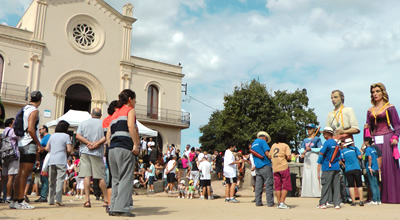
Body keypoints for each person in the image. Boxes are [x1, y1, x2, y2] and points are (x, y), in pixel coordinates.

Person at [106, 89, 139, 217]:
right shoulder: (129, 110)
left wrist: (111, 146)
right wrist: (135, 144)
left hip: (113, 149)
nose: (136, 102)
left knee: (115, 180)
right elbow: (131, 126)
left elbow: (108, 134)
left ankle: (113, 206)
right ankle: (122, 208)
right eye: (135, 99)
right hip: (125, 148)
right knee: (126, 178)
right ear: (130, 99)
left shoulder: (114, 114)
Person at [365, 82, 400, 204]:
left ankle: (391, 197)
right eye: (373, 92)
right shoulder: (370, 110)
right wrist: (366, 141)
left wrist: (396, 137)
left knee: (387, 166)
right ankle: (375, 197)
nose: (375, 94)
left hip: (387, 138)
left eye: (377, 91)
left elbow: (397, 125)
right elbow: (368, 127)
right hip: (374, 139)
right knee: (373, 166)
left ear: (383, 92)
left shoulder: (390, 107)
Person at [10, 90, 43, 210]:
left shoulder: (24, 108)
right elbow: (31, 129)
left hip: (21, 142)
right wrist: (38, 144)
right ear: (40, 100)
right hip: (29, 142)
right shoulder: (34, 111)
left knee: (20, 173)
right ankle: (20, 200)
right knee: (25, 173)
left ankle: (14, 200)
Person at [76, 108, 108, 209]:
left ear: (91, 114)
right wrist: (96, 143)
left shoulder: (83, 123)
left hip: (85, 151)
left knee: (86, 176)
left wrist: (88, 143)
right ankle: (106, 200)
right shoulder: (103, 123)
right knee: (100, 177)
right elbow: (106, 136)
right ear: (101, 115)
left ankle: (87, 200)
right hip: (97, 152)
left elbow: (78, 136)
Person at [45, 120, 72, 206]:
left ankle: (50, 200)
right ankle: (58, 198)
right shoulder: (66, 136)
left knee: (51, 181)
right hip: (61, 160)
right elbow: (69, 149)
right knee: (60, 180)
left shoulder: (52, 136)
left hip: (52, 160)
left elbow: (47, 148)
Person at [317, 127, 341, 209]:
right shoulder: (336, 143)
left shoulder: (327, 143)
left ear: (328, 134)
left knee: (325, 185)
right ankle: (337, 203)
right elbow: (339, 156)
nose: (323, 135)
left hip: (327, 167)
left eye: (324, 133)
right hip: (336, 166)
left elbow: (321, 153)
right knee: (336, 185)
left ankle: (323, 203)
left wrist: (319, 163)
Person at [269, 131, 292, 209]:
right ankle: (282, 202)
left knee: (277, 186)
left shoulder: (273, 145)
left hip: (275, 168)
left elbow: (269, 156)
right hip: (283, 167)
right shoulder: (285, 146)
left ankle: (278, 202)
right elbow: (289, 157)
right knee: (286, 185)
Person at [102, 100, 117, 213]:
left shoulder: (105, 120)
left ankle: (108, 202)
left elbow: (104, 136)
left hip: (108, 149)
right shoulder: (116, 119)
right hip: (117, 147)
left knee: (111, 176)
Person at [251, 131, 273, 207]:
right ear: (265, 138)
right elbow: (267, 154)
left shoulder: (253, 143)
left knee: (258, 185)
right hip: (265, 165)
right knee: (268, 184)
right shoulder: (263, 142)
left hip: (257, 166)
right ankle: (270, 202)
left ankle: (258, 202)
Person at [339, 138, 364, 206]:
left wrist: (344, 165)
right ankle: (361, 200)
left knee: (351, 185)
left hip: (348, 169)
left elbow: (341, 159)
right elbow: (360, 157)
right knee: (359, 184)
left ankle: (353, 202)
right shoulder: (355, 148)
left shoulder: (343, 151)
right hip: (356, 168)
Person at [0, 118, 19, 204]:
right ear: (10, 124)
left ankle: (1, 196)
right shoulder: (12, 131)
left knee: (3, 178)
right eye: (14, 122)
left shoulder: (4, 132)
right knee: (11, 178)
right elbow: (19, 136)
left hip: (4, 155)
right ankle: (8, 197)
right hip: (12, 155)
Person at [34, 125, 50, 203]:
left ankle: (44, 196)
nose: (39, 131)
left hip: (45, 160)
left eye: (40, 129)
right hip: (43, 160)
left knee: (44, 178)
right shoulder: (44, 138)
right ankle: (44, 195)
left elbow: (46, 148)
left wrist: (40, 149)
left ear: (45, 129)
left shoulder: (48, 137)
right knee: (43, 178)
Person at [365, 139, 381, 205]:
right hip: (375, 167)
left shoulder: (368, 149)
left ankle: (374, 200)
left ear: (367, 142)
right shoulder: (374, 149)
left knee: (372, 184)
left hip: (371, 168)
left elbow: (369, 157)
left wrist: (369, 166)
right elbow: (377, 159)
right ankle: (378, 200)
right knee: (376, 184)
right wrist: (378, 168)